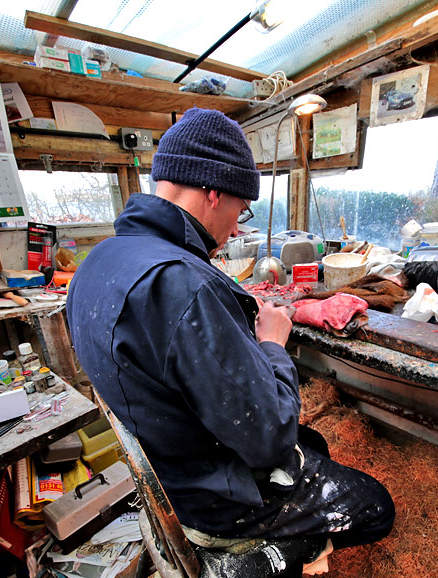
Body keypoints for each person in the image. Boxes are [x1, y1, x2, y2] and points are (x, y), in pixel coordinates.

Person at [67, 107, 394, 551]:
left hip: (166, 472)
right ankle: (265, 560)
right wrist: (272, 344)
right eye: (241, 207)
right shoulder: (182, 284)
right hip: (214, 499)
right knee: (377, 508)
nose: (237, 226)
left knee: (314, 442)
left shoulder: (98, 261)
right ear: (214, 193)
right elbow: (270, 438)